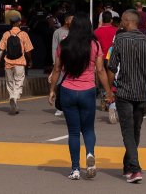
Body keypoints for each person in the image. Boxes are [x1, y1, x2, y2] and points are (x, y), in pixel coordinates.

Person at [49, 14, 111, 181]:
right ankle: (90, 154)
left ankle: (75, 169)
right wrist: (109, 92)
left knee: (74, 133)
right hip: (88, 91)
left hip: (68, 90)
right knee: (88, 129)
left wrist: (52, 90)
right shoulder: (95, 45)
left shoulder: (64, 45)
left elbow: (56, 69)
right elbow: (100, 70)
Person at [107, 10, 146, 183]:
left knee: (128, 131)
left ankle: (135, 168)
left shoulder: (120, 40)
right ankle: (128, 166)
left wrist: (109, 89)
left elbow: (112, 67)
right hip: (142, 93)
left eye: (122, 20)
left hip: (124, 92)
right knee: (135, 130)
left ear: (126, 21)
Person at [0, 13, 33, 115]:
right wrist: (30, 60)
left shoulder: (6, 34)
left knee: (10, 83)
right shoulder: (23, 34)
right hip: (19, 62)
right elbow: (28, 51)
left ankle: (13, 102)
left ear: (11, 23)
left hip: (8, 63)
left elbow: (1, 51)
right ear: (19, 23)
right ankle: (15, 97)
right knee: (18, 81)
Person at [51, 13, 73, 117]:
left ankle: (67, 106)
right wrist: (55, 62)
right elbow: (54, 48)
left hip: (71, 64)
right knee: (59, 85)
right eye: (72, 20)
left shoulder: (74, 32)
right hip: (61, 64)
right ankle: (59, 107)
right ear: (66, 21)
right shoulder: (58, 32)